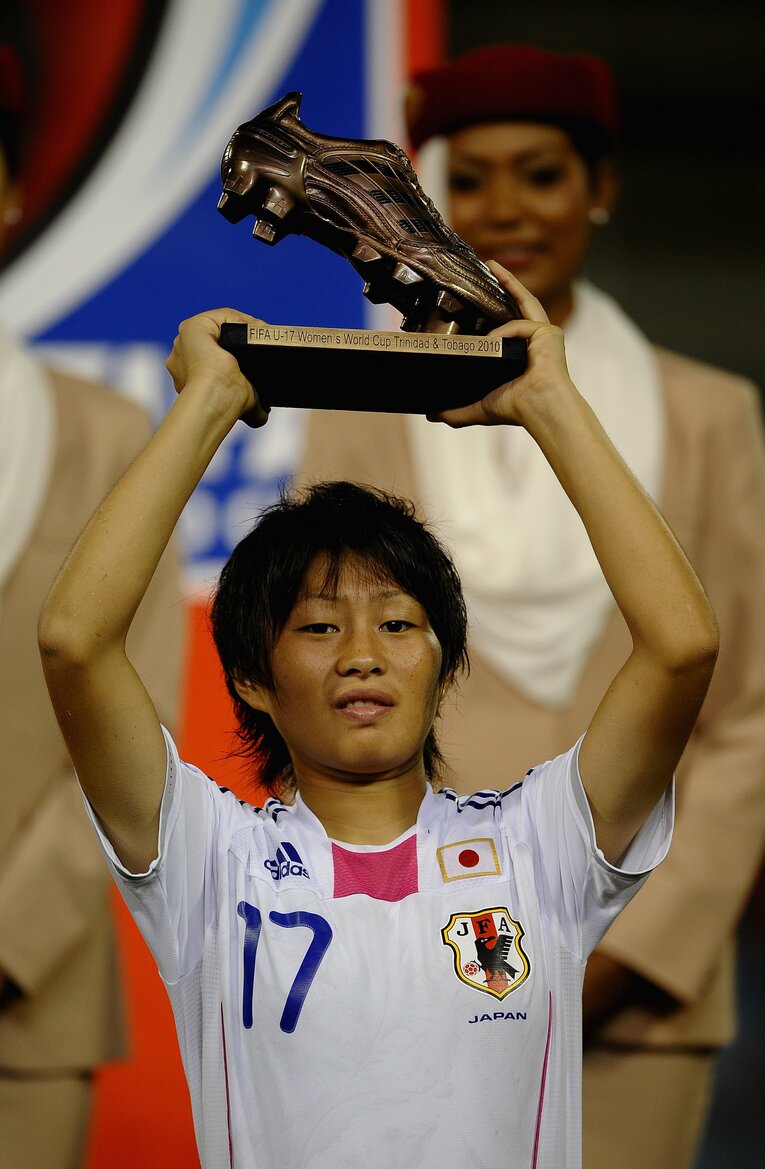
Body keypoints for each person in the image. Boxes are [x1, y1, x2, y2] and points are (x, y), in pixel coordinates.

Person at [37, 265, 718, 1169]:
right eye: (319, 627)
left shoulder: (540, 844)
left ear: (446, 666)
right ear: (250, 678)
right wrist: (207, 403)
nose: (362, 654)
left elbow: (680, 647)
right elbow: (74, 642)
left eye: (398, 624)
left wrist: (550, 404)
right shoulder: (208, 857)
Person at [294, 42, 765, 1169]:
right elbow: (326, 697)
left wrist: (627, 953)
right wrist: (409, 936)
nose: (504, 208)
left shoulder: (710, 414)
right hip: (409, 972)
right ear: (429, 203)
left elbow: (746, 714)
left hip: (636, 990)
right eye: (468, 179)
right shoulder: (356, 401)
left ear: (600, 188)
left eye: (542, 174)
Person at [0, 40, 185, 1169]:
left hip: (29, 1002)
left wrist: (10, 936)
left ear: (14, 192)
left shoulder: (109, 436)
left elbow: (138, 724)